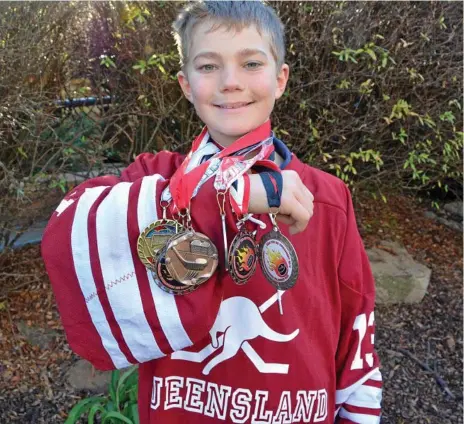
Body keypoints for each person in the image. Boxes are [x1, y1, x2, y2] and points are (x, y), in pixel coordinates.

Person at [41, 1, 382, 423]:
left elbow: (356, 335)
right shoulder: (153, 178)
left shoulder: (326, 198)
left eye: (251, 63)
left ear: (280, 79)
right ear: (186, 85)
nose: (230, 82)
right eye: (208, 67)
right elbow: (67, 231)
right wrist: (230, 193)